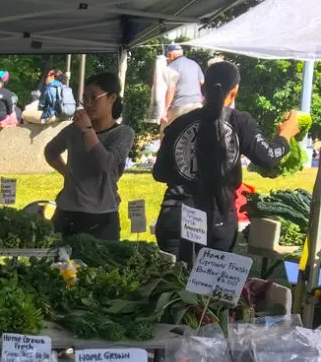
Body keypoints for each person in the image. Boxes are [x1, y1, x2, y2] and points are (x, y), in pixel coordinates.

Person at [153, 60, 298, 263]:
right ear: (235, 91)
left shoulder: (178, 124)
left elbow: (159, 173)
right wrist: (285, 135)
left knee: (169, 286)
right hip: (217, 218)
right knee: (208, 291)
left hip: (175, 215)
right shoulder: (239, 121)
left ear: (203, 88)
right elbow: (269, 157)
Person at [44, 73, 135, 241]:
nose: (88, 104)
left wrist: (87, 130)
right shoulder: (73, 130)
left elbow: (105, 164)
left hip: (102, 215)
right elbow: (50, 151)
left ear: (112, 98)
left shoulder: (123, 133)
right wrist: (67, 173)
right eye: (84, 98)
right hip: (67, 212)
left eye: (94, 98)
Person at [160, 44, 204, 128]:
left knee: (166, 132)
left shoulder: (171, 67)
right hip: (197, 105)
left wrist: (164, 110)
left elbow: (171, 89)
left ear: (170, 55)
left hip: (180, 106)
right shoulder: (194, 64)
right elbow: (202, 82)